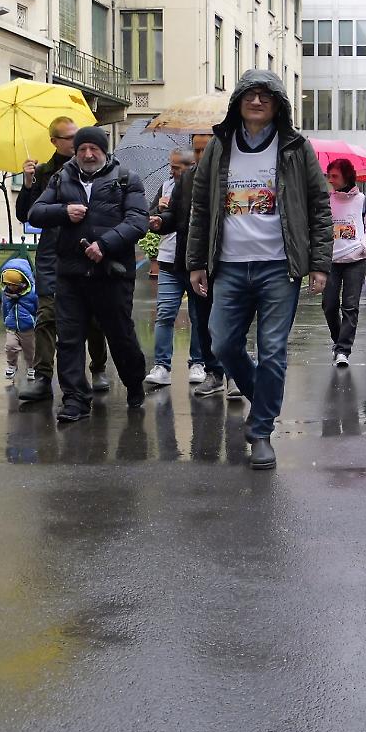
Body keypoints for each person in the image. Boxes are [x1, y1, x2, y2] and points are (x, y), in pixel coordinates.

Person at [186, 70, 332, 469]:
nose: (256, 101)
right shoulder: (220, 145)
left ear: (278, 104)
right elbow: (201, 206)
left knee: (272, 352)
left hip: (277, 267)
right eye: (249, 94)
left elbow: (320, 206)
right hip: (229, 267)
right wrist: (197, 261)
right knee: (221, 345)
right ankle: (263, 399)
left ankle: (262, 430)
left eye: (265, 95)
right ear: (237, 100)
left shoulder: (295, 147)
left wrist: (319, 263)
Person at [29, 126, 149, 423]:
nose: (87, 153)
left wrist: (105, 245)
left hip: (111, 275)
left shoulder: (125, 179)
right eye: (82, 148)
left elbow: (138, 221)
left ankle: (134, 384)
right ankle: (75, 401)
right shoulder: (61, 178)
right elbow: (35, 212)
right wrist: (63, 211)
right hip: (70, 276)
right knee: (69, 339)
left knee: (121, 337)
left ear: (104, 151)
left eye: (93, 148)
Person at [16, 116, 109, 401]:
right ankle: (43, 377)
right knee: (46, 315)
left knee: (93, 317)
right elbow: (27, 215)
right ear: (55, 141)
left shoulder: (94, 167)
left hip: (84, 251)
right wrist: (29, 183)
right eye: (69, 138)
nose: (77, 143)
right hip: (51, 254)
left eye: (77, 137)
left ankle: (98, 367)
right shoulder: (45, 173)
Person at [153, 133, 227, 398]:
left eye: (204, 150)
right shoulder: (187, 178)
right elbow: (177, 214)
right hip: (193, 259)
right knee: (203, 316)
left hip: (227, 259)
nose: (200, 156)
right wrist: (162, 221)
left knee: (231, 318)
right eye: (196, 151)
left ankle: (236, 373)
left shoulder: (229, 176)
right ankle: (214, 371)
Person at [145, 148, 207, 388]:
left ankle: (198, 363)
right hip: (168, 261)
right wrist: (158, 215)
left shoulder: (200, 185)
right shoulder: (165, 186)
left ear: (191, 165)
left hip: (193, 262)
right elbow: (153, 218)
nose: (171, 171)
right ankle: (161, 365)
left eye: (176, 167)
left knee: (198, 316)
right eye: (171, 166)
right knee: (165, 314)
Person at [324, 157, 366, 367]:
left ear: (346, 176)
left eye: (334, 176)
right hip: (331, 261)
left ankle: (343, 350)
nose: (331, 180)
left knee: (350, 306)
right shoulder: (327, 200)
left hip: (356, 260)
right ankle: (338, 342)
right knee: (329, 305)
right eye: (329, 176)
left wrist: (363, 246)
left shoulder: (362, 200)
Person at [0, 257, 37, 380]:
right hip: (12, 327)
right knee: (10, 346)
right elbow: (4, 308)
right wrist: (6, 320)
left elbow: (38, 307)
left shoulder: (32, 293)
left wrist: (36, 321)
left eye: (14, 285)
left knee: (30, 350)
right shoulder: (6, 294)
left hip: (28, 328)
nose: (11, 287)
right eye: (8, 284)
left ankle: (31, 367)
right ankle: (11, 365)